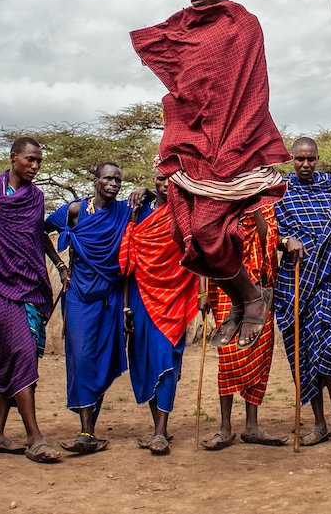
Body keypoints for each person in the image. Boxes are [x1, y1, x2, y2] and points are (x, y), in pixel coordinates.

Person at [131, 0, 290, 353]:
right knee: (183, 232)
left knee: (206, 230)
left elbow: (252, 84)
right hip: (193, 137)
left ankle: (252, 296)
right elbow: (169, 60)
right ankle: (240, 299)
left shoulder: (242, 24)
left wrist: (242, 135)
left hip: (231, 138)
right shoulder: (183, 26)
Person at [0, 137, 68, 465]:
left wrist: (62, 265)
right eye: (30, 160)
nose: (35, 166)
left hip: (33, 287)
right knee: (21, 354)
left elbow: (38, 237)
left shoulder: (36, 197)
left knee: (19, 361)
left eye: (39, 161)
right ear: (13, 157)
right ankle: (35, 438)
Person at [273, 137, 331, 448]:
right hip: (296, 284)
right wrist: (285, 241)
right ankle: (319, 423)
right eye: (299, 159)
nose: (305, 165)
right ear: (291, 160)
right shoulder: (281, 194)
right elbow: (269, 231)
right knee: (304, 353)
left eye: (310, 159)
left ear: (318, 159)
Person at [44, 163, 133, 455]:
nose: (114, 183)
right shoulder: (74, 211)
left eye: (118, 180)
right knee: (82, 358)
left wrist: (143, 190)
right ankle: (86, 429)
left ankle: (88, 430)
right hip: (80, 296)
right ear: (95, 181)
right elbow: (39, 230)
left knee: (103, 359)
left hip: (110, 296)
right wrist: (59, 265)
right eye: (107, 178)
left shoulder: (123, 211)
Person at [118, 169, 200, 456]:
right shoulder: (139, 212)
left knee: (166, 357)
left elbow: (198, 249)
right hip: (141, 296)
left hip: (175, 296)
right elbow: (129, 261)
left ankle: (161, 431)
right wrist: (126, 306)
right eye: (160, 179)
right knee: (145, 358)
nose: (166, 185)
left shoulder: (188, 211)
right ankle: (156, 426)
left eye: (172, 180)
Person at [200, 205, 287, 449]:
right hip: (226, 286)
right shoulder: (219, 201)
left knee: (259, 355)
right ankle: (225, 428)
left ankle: (252, 426)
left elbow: (267, 239)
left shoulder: (265, 203)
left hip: (258, 287)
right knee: (228, 355)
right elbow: (206, 246)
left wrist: (255, 205)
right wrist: (203, 290)